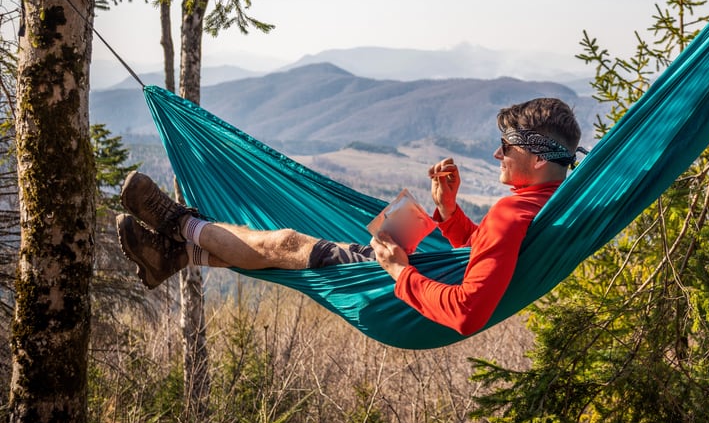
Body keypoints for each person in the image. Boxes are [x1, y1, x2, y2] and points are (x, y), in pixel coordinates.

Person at [117, 97, 582, 336]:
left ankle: (178, 222)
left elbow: (466, 312)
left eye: (509, 145)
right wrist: (448, 210)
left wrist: (399, 270)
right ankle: (178, 256)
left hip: (396, 291)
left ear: (539, 159)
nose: (497, 152)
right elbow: (483, 252)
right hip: (413, 279)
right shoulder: (547, 203)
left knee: (285, 244)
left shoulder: (511, 211)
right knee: (286, 255)